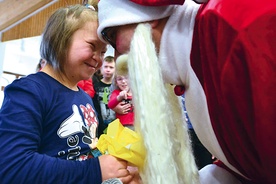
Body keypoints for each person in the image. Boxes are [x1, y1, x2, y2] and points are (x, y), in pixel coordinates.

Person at [96, 0, 276, 183]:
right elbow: (247, 161)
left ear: (147, 19)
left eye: (112, 36)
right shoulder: (196, 58)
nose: (118, 58)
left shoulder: (234, 29)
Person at [0, 3, 136, 184]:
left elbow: (85, 152)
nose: (99, 58)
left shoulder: (84, 98)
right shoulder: (29, 91)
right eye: (92, 46)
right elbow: (13, 167)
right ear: (60, 40)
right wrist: (95, 170)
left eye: (103, 51)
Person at [93, 56, 116, 135]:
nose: (108, 70)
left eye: (111, 67)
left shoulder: (117, 86)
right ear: (101, 68)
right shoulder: (95, 85)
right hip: (100, 123)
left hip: (115, 123)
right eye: (105, 67)